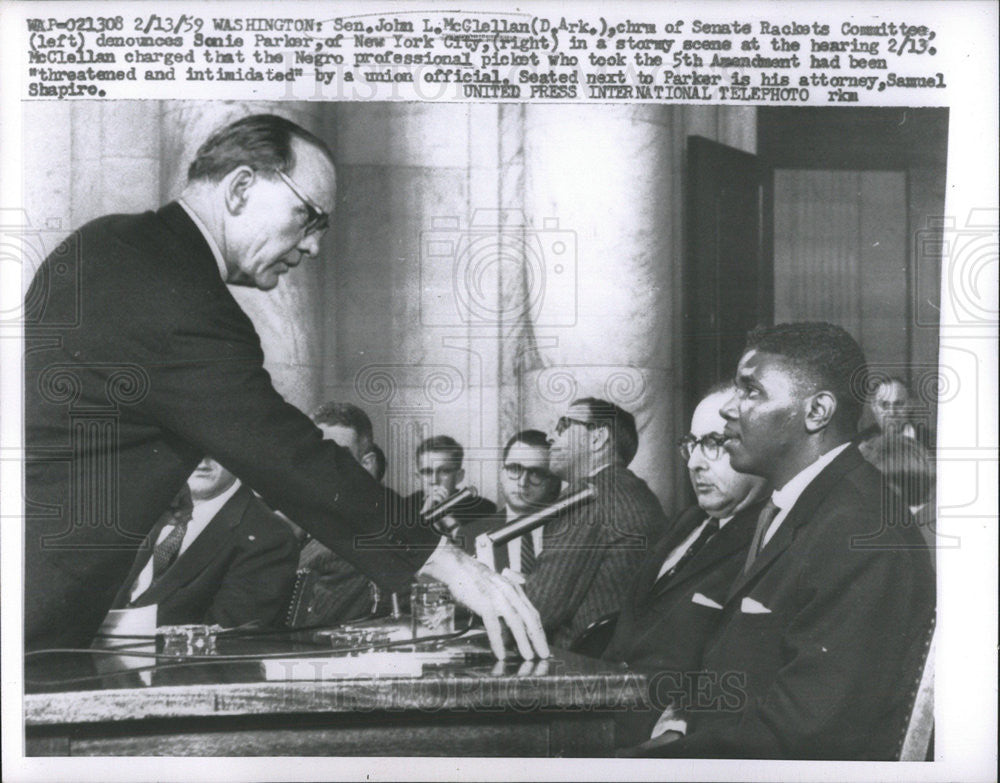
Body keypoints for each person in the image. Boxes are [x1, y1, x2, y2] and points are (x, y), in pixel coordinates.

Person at [23, 113, 548, 661]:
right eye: (309, 216)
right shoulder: (180, 297)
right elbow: (291, 457)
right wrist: (448, 561)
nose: (315, 247)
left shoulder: (108, 242)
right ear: (241, 187)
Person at [632, 322, 934, 760]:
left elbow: (805, 733)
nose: (729, 411)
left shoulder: (860, 533)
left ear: (817, 412)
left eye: (751, 392)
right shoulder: (801, 505)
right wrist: (680, 727)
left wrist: (647, 763)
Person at [604, 383, 768, 746]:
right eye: (691, 445)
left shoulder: (770, 541)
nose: (694, 462)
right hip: (604, 715)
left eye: (713, 442)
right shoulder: (687, 521)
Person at [523, 398, 667, 649]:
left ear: (597, 438)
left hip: (581, 671)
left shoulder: (586, 498)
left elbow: (538, 612)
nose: (549, 437)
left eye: (563, 425)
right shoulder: (638, 492)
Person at [110, 457, 298, 628]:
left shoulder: (268, 535)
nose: (201, 459)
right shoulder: (146, 508)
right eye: (191, 445)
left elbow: (230, 638)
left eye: (212, 447)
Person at [292, 403, 390, 626]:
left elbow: (299, 630)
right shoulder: (307, 524)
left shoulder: (358, 541)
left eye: (337, 457)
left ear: (367, 465)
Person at [459, 430, 563, 570]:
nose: (522, 482)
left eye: (535, 473)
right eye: (514, 469)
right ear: (502, 473)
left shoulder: (567, 532)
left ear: (552, 481)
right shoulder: (470, 534)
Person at [406, 435, 497, 526]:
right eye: (427, 472)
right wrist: (423, 517)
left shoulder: (483, 509)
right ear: (418, 477)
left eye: (444, 471)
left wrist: (446, 517)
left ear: (459, 476)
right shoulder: (404, 507)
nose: (434, 480)